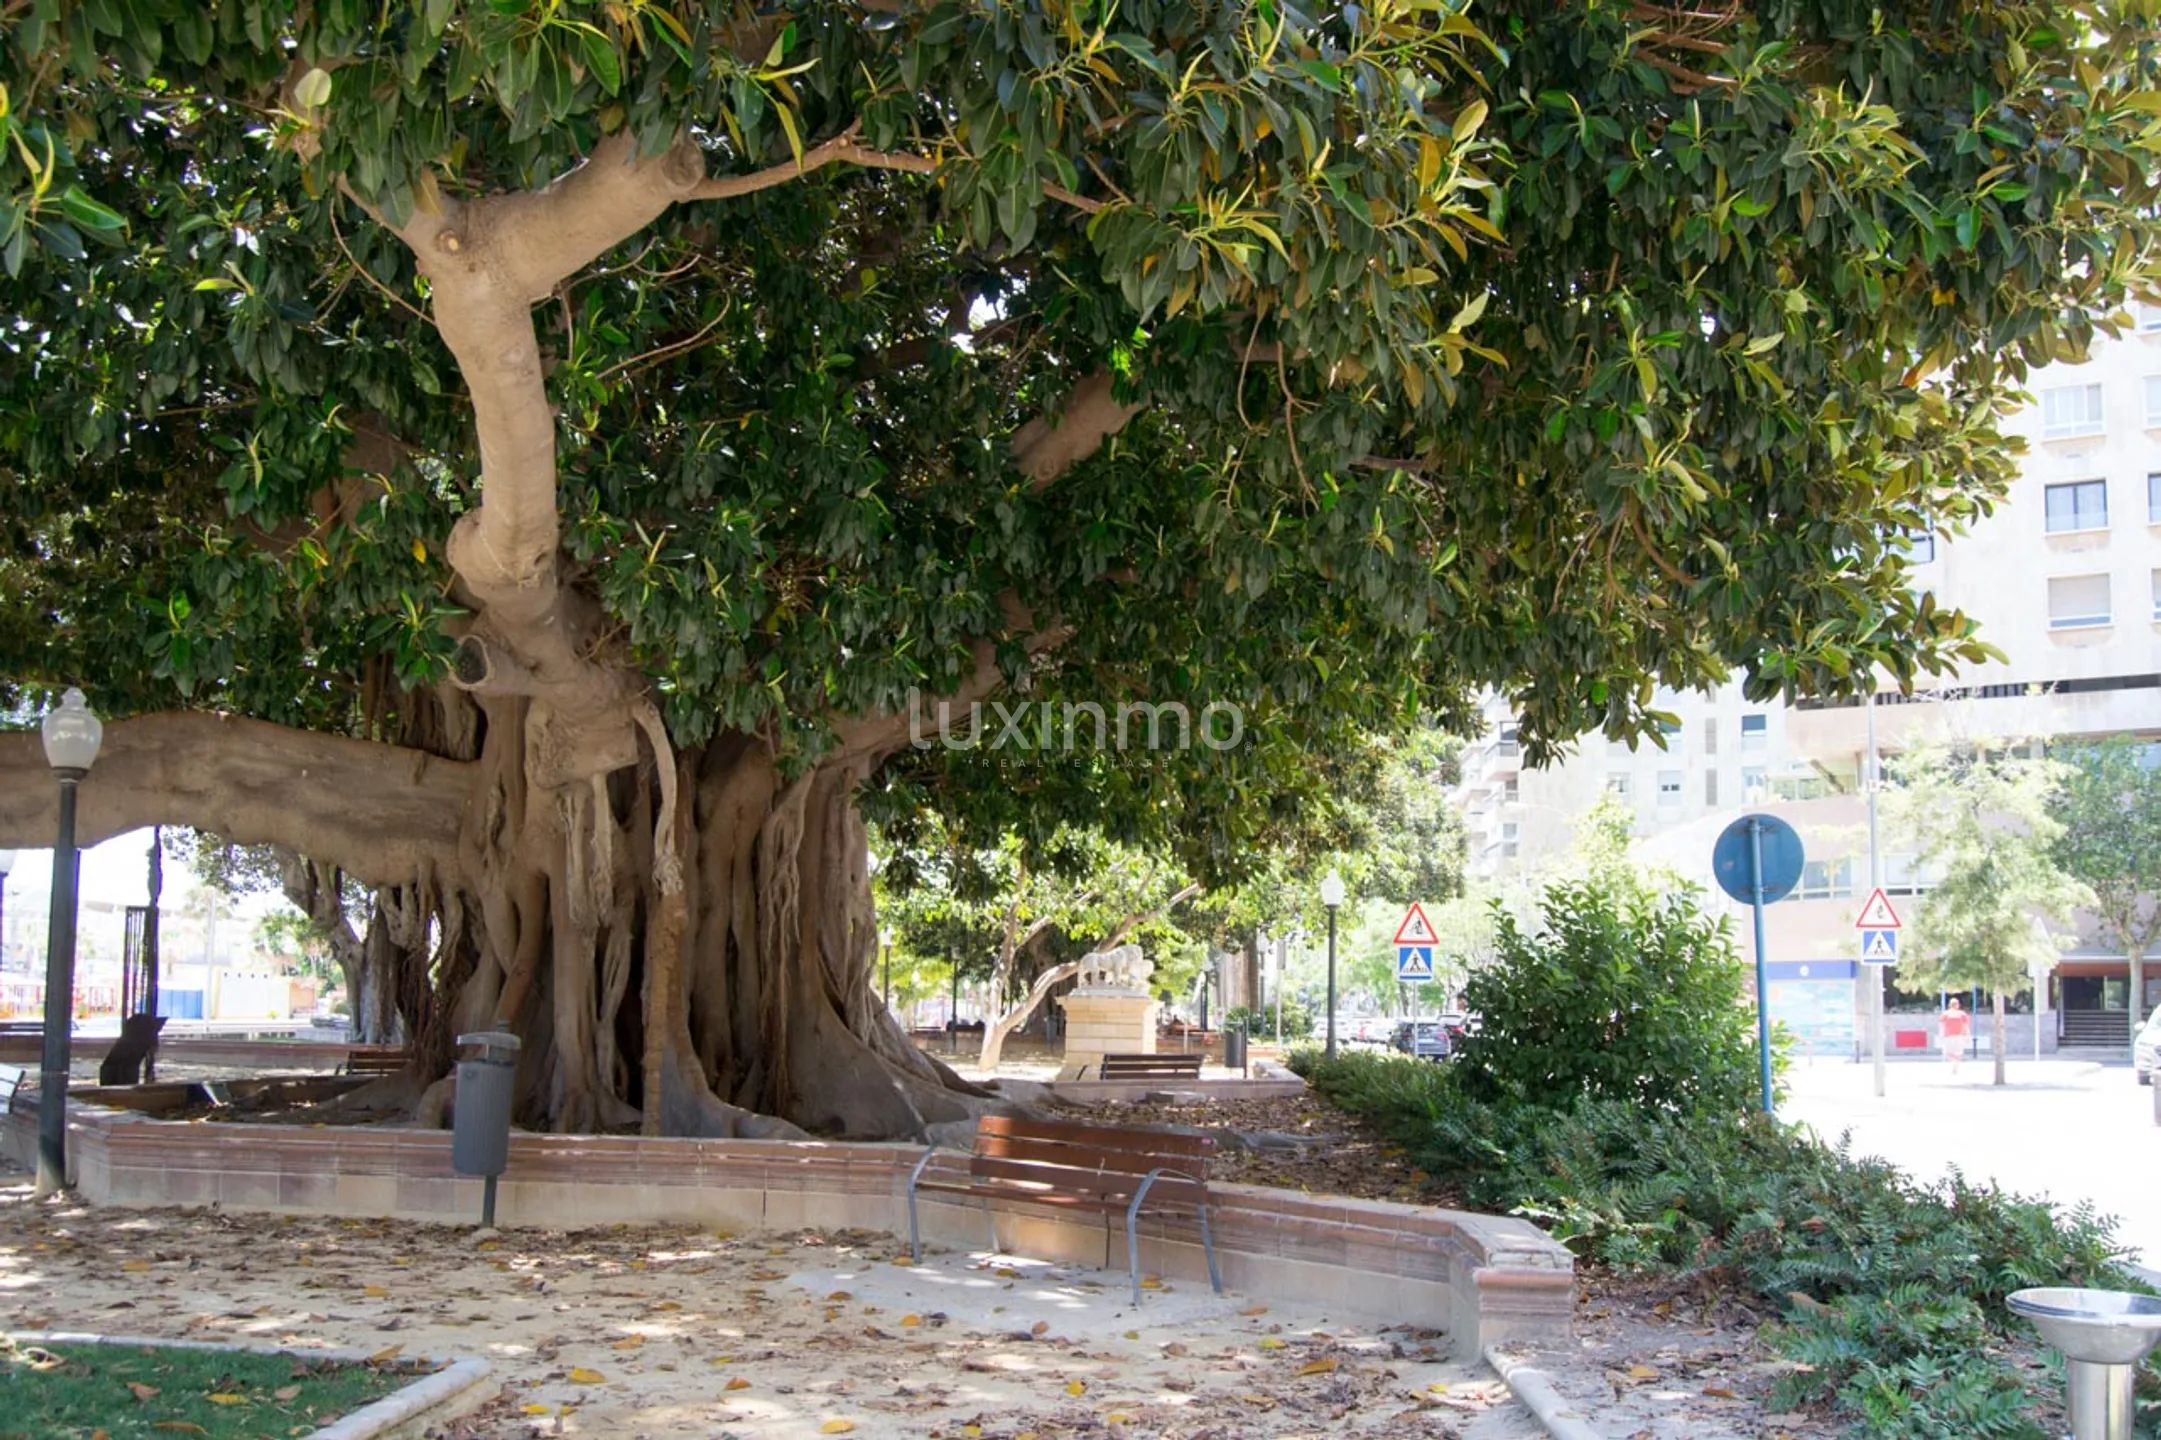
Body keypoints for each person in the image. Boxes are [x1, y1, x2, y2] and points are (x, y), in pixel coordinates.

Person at [1940, 996, 1972, 1076]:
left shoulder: (1962, 1014)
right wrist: (1941, 1034)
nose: (1955, 1005)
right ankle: (1954, 1064)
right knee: (1948, 1053)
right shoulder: (1946, 1014)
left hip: (1958, 1036)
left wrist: (1967, 1035)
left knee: (1957, 1052)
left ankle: (1955, 1067)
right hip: (1950, 1036)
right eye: (1954, 1004)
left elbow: (1966, 1026)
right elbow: (1941, 1025)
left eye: (1956, 1003)